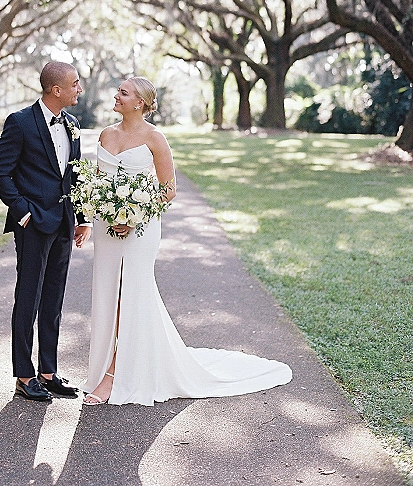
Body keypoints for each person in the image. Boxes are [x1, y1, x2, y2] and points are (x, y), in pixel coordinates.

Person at [80, 76, 292, 406]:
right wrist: (104, 213)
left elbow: (168, 190)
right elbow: (97, 182)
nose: (116, 95)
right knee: (108, 292)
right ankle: (113, 366)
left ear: (139, 102)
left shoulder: (154, 138)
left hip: (141, 227)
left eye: (123, 92)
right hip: (106, 227)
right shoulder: (106, 134)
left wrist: (131, 216)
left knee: (130, 293)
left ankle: (113, 374)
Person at [0, 61, 90, 401]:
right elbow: (0, 174)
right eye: (75, 84)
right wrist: (24, 214)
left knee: (53, 300)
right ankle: (24, 375)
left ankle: (48, 372)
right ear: (56, 90)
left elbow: (75, 175)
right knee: (29, 298)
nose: (80, 89)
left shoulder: (73, 124)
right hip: (33, 225)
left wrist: (82, 218)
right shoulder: (19, 123)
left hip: (63, 224)